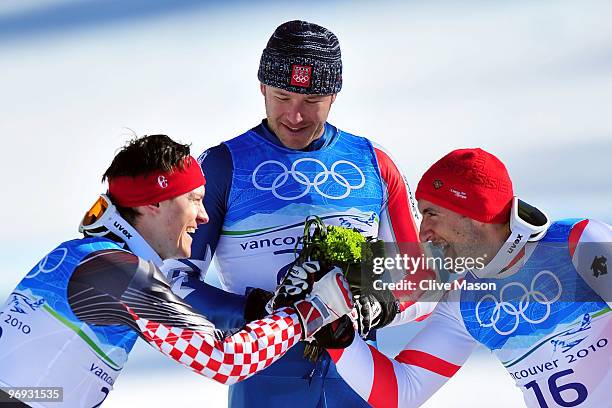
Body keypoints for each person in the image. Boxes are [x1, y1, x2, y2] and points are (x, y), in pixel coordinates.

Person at [163, 20, 436, 408]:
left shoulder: (374, 164)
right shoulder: (223, 167)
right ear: (261, 88)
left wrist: (376, 306)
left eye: (312, 101)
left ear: (334, 95)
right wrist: (260, 312)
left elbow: (425, 282)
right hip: (263, 382)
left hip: (361, 383)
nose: (295, 116)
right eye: (281, 97)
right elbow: (172, 282)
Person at [0, 135, 354, 407]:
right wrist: (311, 312)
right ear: (154, 203)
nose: (204, 217)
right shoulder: (116, 271)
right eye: (195, 200)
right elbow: (227, 360)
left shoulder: (84, 255)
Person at [306, 147, 612, 407]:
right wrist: (338, 333)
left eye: (431, 214)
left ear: (474, 212)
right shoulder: (463, 301)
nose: (423, 232)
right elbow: (401, 391)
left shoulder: (576, 243)